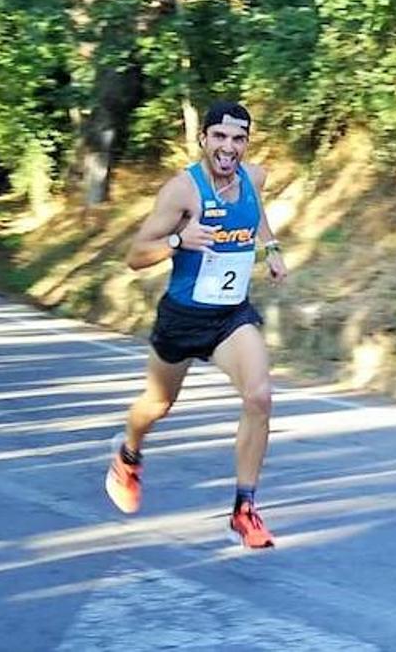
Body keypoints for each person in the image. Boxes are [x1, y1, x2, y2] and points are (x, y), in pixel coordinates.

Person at [106, 101, 287, 549]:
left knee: (260, 396)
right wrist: (176, 240)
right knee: (158, 404)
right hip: (183, 318)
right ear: (204, 138)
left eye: (239, 138)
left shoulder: (255, 177)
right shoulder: (181, 192)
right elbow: (134, 257)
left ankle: (244, 509)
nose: (229, 147)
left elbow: (255, 209)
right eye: (220, 137)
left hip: (230, 316)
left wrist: (271, 247)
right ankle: (128, 454)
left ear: (247, 143)